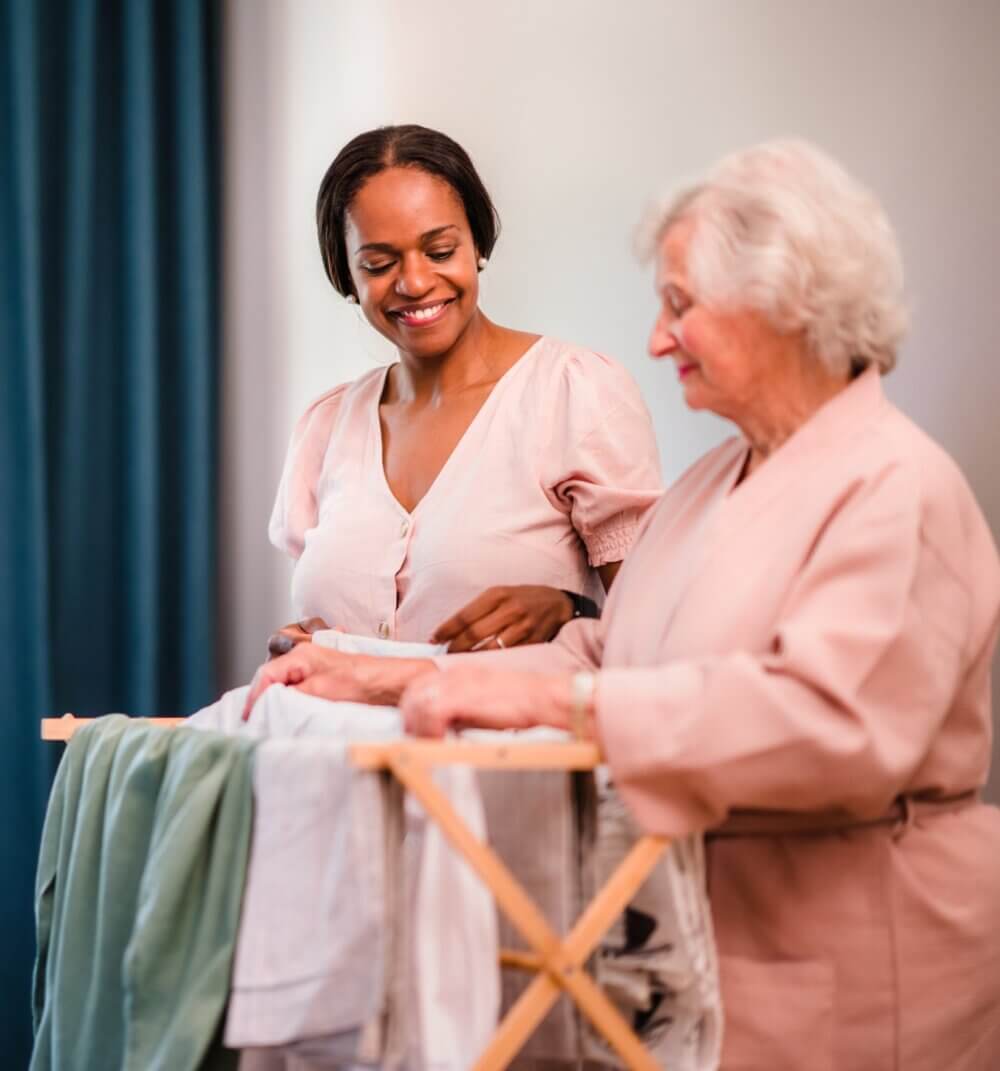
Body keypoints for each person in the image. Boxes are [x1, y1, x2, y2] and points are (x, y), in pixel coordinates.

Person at [246, 140, 1000, 1069]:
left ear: (788, 309)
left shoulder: (896, 485)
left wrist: (556, 704)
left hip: (858, 964)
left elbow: (829, 726)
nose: (657, 338)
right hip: (701, 954)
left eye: (681, 306)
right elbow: (609, 653)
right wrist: (372, 675)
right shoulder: (718, 480)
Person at [267, 124, 662, 658]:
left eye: (439, 250)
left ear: (477, 244)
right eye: (379, 265)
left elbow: (658, 629)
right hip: (341, 740)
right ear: (346, 275)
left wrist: (572, 610)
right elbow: (323, 630)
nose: (414, 282)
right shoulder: (327, 426)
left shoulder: (573, 392)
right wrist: (299, 649)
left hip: (510, 741)